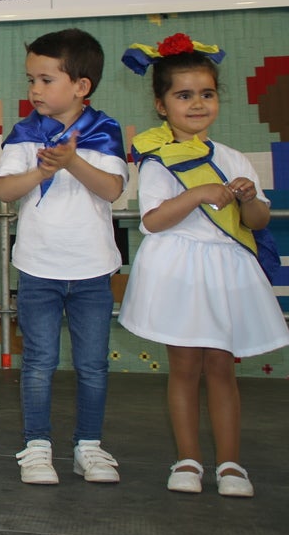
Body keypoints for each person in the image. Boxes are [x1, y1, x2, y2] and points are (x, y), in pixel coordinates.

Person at [120, 34, 289, 497]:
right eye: (184, 95)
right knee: (185, 366)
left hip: (227, 271)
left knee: (222, 366)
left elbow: (255, 222)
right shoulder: (157, 160)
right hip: (180, 270)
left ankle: (231, 463)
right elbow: (153, 222)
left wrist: (250, 199)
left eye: (207, 94)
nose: (197, 104)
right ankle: (189, 459)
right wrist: (195, 194)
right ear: (161, 105)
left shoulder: (235, 158)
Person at [0, 28, 127, 485]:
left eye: (46, 80)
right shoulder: (26, 132)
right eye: (30, 79)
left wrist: (72, 161)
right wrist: (40, 170)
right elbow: (5, 190)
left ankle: (89, 445)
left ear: (81, 85)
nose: (34, 90)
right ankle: (36, 446)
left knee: (92, 364)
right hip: (37, 266)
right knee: (38, 362)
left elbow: (112, 189)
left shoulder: (104, 130)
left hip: (92, 268)